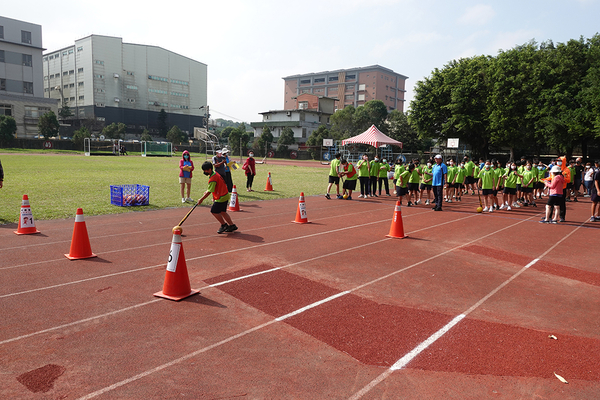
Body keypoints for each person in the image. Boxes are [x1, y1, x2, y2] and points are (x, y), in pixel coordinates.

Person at [197, 161, 237, 234]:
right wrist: (208, 191)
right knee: (222, 212)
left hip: (221, 197)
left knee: (214, 211)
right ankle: (232, 225)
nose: (204, 172)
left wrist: (201, 199)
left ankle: (224, 225)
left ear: (209, 169)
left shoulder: (213, 178)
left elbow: (210, 191)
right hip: (225, 195)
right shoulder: (214, 173)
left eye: (205, 170)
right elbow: (212, 188)